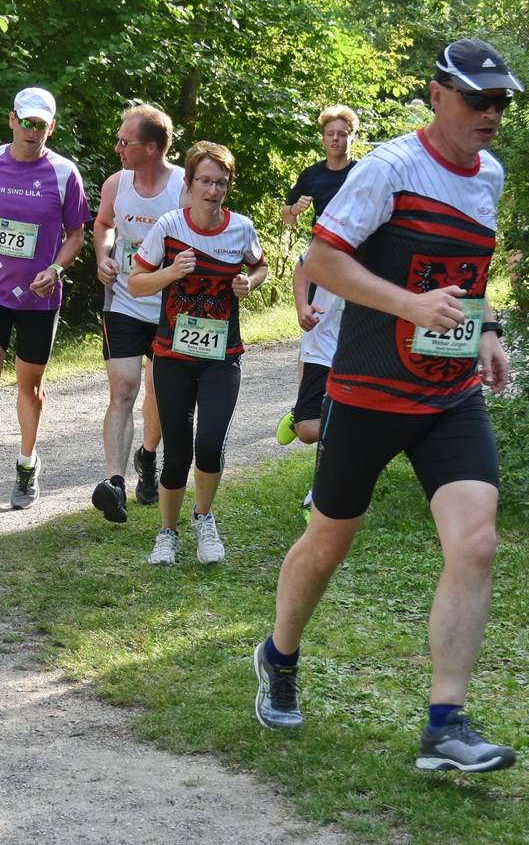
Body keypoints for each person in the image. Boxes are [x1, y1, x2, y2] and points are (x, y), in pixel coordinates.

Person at [252, 39, 522, 775]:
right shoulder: (389, 169)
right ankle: (279, 655)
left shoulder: (489, 174)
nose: (492, 114)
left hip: (449, 396)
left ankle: (445, 726)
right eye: (478, 100)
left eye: (501, 102)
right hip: (368, 394)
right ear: (437, 95)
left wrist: (486, 328)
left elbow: (469, 271)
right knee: (328, 542)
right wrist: (409, 305)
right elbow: (321, 259)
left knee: (476, 542)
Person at [128, 142, 267, 566]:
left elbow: (259, 266)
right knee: (177, 450)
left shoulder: (241, 228)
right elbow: (136, 283)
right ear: (188, 184)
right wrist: (171, 271)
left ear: (229, 186)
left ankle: (203, 518)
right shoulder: (169, 226)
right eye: (205, 181)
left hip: (222, 356)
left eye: (221, 183)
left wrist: (250, 282)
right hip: (172, 355)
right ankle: (166, 533)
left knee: (209, 444)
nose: (212, 190)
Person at [0, 87, 91, 521]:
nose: (32, 131)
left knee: (29, 386)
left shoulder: (64, 173)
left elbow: (76, 235)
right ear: (12, 120)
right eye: (26, 122)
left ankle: (27, 463)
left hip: (39, 294)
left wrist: (55, 268)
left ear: (50, 128)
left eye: (41, 125)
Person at [90, 104, 185, 523]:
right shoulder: (116, 183)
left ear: (151, 147)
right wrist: (104, 256)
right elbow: (103, 224)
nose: (117, 148)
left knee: (159, 391)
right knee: (124, 389)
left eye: (124, 142)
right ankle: (115, 484)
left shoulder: (184, 185)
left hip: (171, 305)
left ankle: (148, 456)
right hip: (125, 300)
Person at [274, 251, 341, 510]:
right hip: (323, 341)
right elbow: (303, 265)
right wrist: (302, 306)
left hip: (365, 345)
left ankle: (323, 488)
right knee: (309, 431)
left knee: (353, 418)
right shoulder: (340, 232)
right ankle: (299, 412)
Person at [279, 105, 360, 230]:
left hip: (357, 240)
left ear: (352, 141)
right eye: (330, 134)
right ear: (323, 140)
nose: (335, 139)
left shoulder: (363, 172)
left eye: (342, 134)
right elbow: (287, 218)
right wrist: (295, 209)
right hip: (321, 240)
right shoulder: (311, 174)